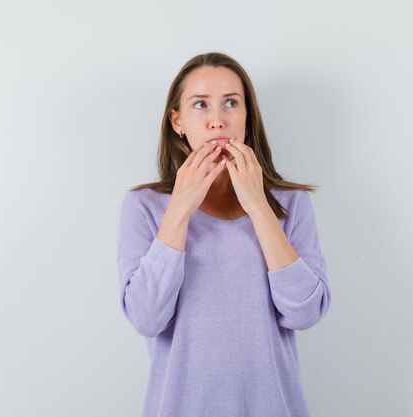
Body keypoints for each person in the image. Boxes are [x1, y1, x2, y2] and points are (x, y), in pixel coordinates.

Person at [116, 51, 331, 417]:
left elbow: (306, 313)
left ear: (247, 117)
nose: (217, 121)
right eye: (200, 105)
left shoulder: (291, 204)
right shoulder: (144, 206)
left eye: (231, 103)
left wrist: (258, 207)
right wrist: (181, 207)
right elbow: (146, 318)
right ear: (177, 121)